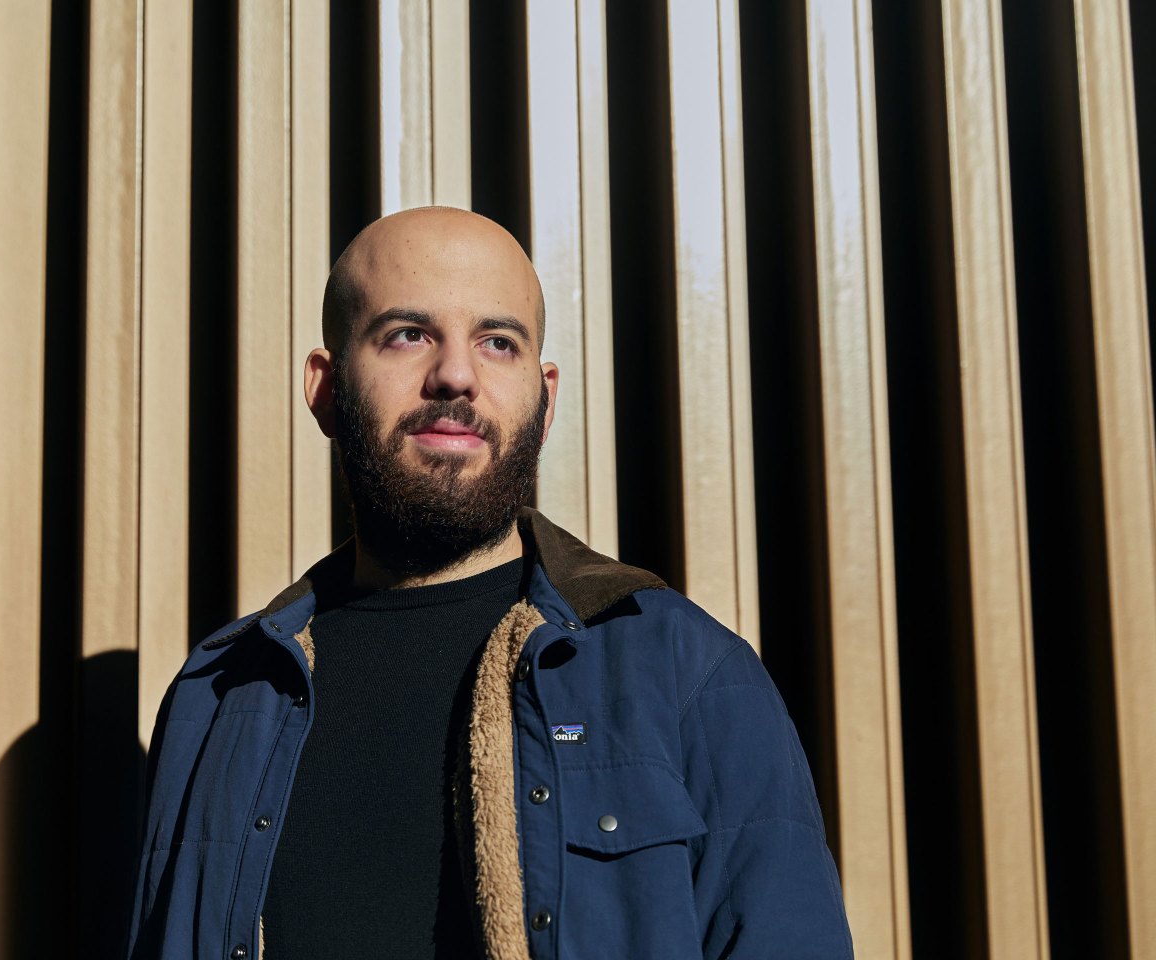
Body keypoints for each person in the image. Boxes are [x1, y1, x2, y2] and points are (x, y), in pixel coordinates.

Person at [127, 207, 854, 959]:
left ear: (544, 401)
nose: (455, 375)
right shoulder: (219, 695)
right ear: (326, 387)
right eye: (407, 334)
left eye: (497, 342)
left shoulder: (689, 676)